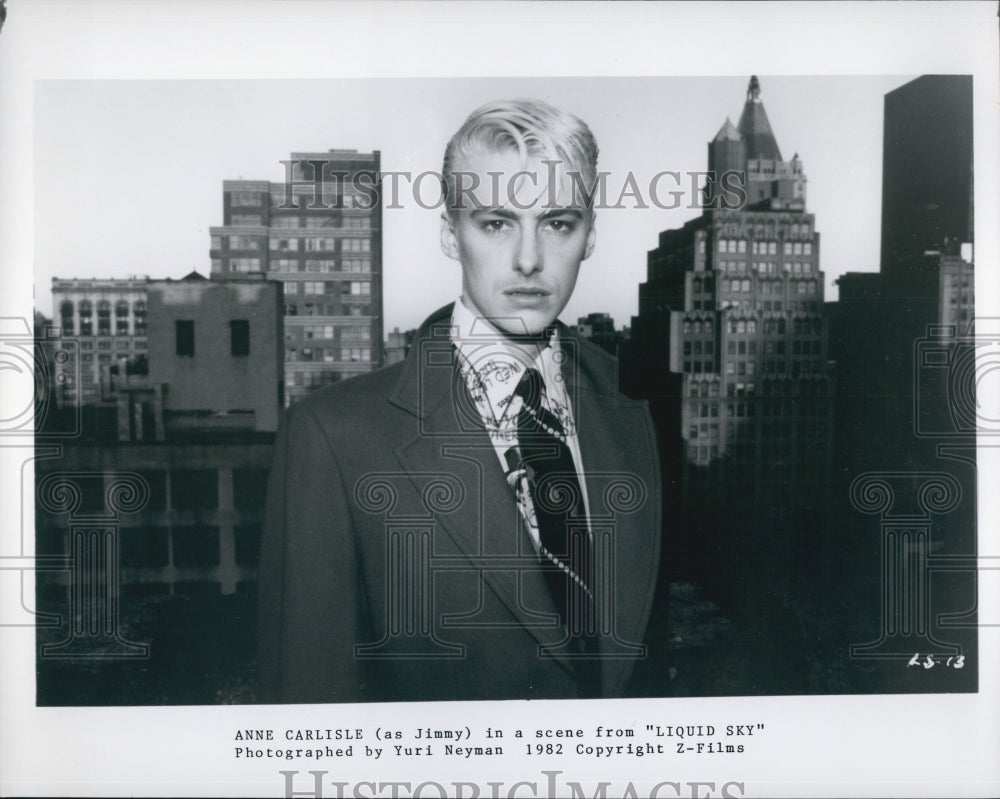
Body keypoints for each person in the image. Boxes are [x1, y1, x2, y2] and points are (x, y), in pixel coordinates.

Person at [258, 99, 662, 703]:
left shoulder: (634, 410)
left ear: (591, 235)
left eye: (557, 223)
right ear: (451, 235)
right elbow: (309, 718)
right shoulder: (333, 437)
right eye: (496, 223)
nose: (529, 259)